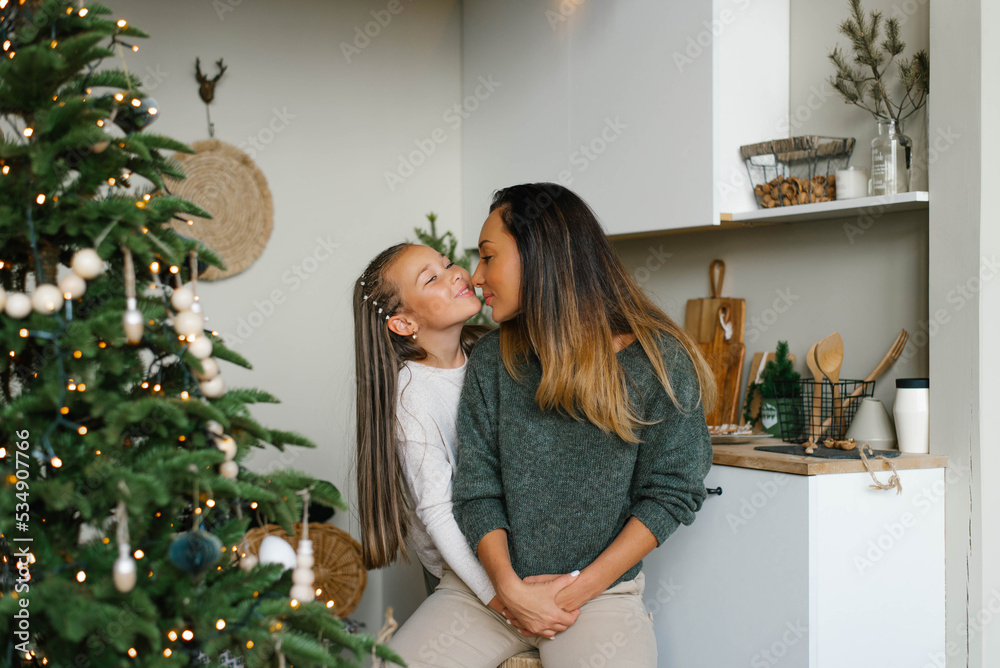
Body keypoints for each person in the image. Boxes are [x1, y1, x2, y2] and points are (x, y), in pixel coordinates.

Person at [391, 183, 717, 667]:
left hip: (599, 596)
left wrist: (577, 590)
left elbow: (671, 492)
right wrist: (507, 588)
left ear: (538, 256)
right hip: (483, 593)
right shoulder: (493, 361)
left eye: (487, 257)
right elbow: (477, 491)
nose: (475, 277)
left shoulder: (659, 360)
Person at [352, 243, 508, 630]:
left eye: (448, 263)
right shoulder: (411, 394)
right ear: (404, 324)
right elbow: (438, 512)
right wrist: (498, 597)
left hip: (502, 552)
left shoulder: (486, 357)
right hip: (461, 572)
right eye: (432, 278)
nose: (457, 272)